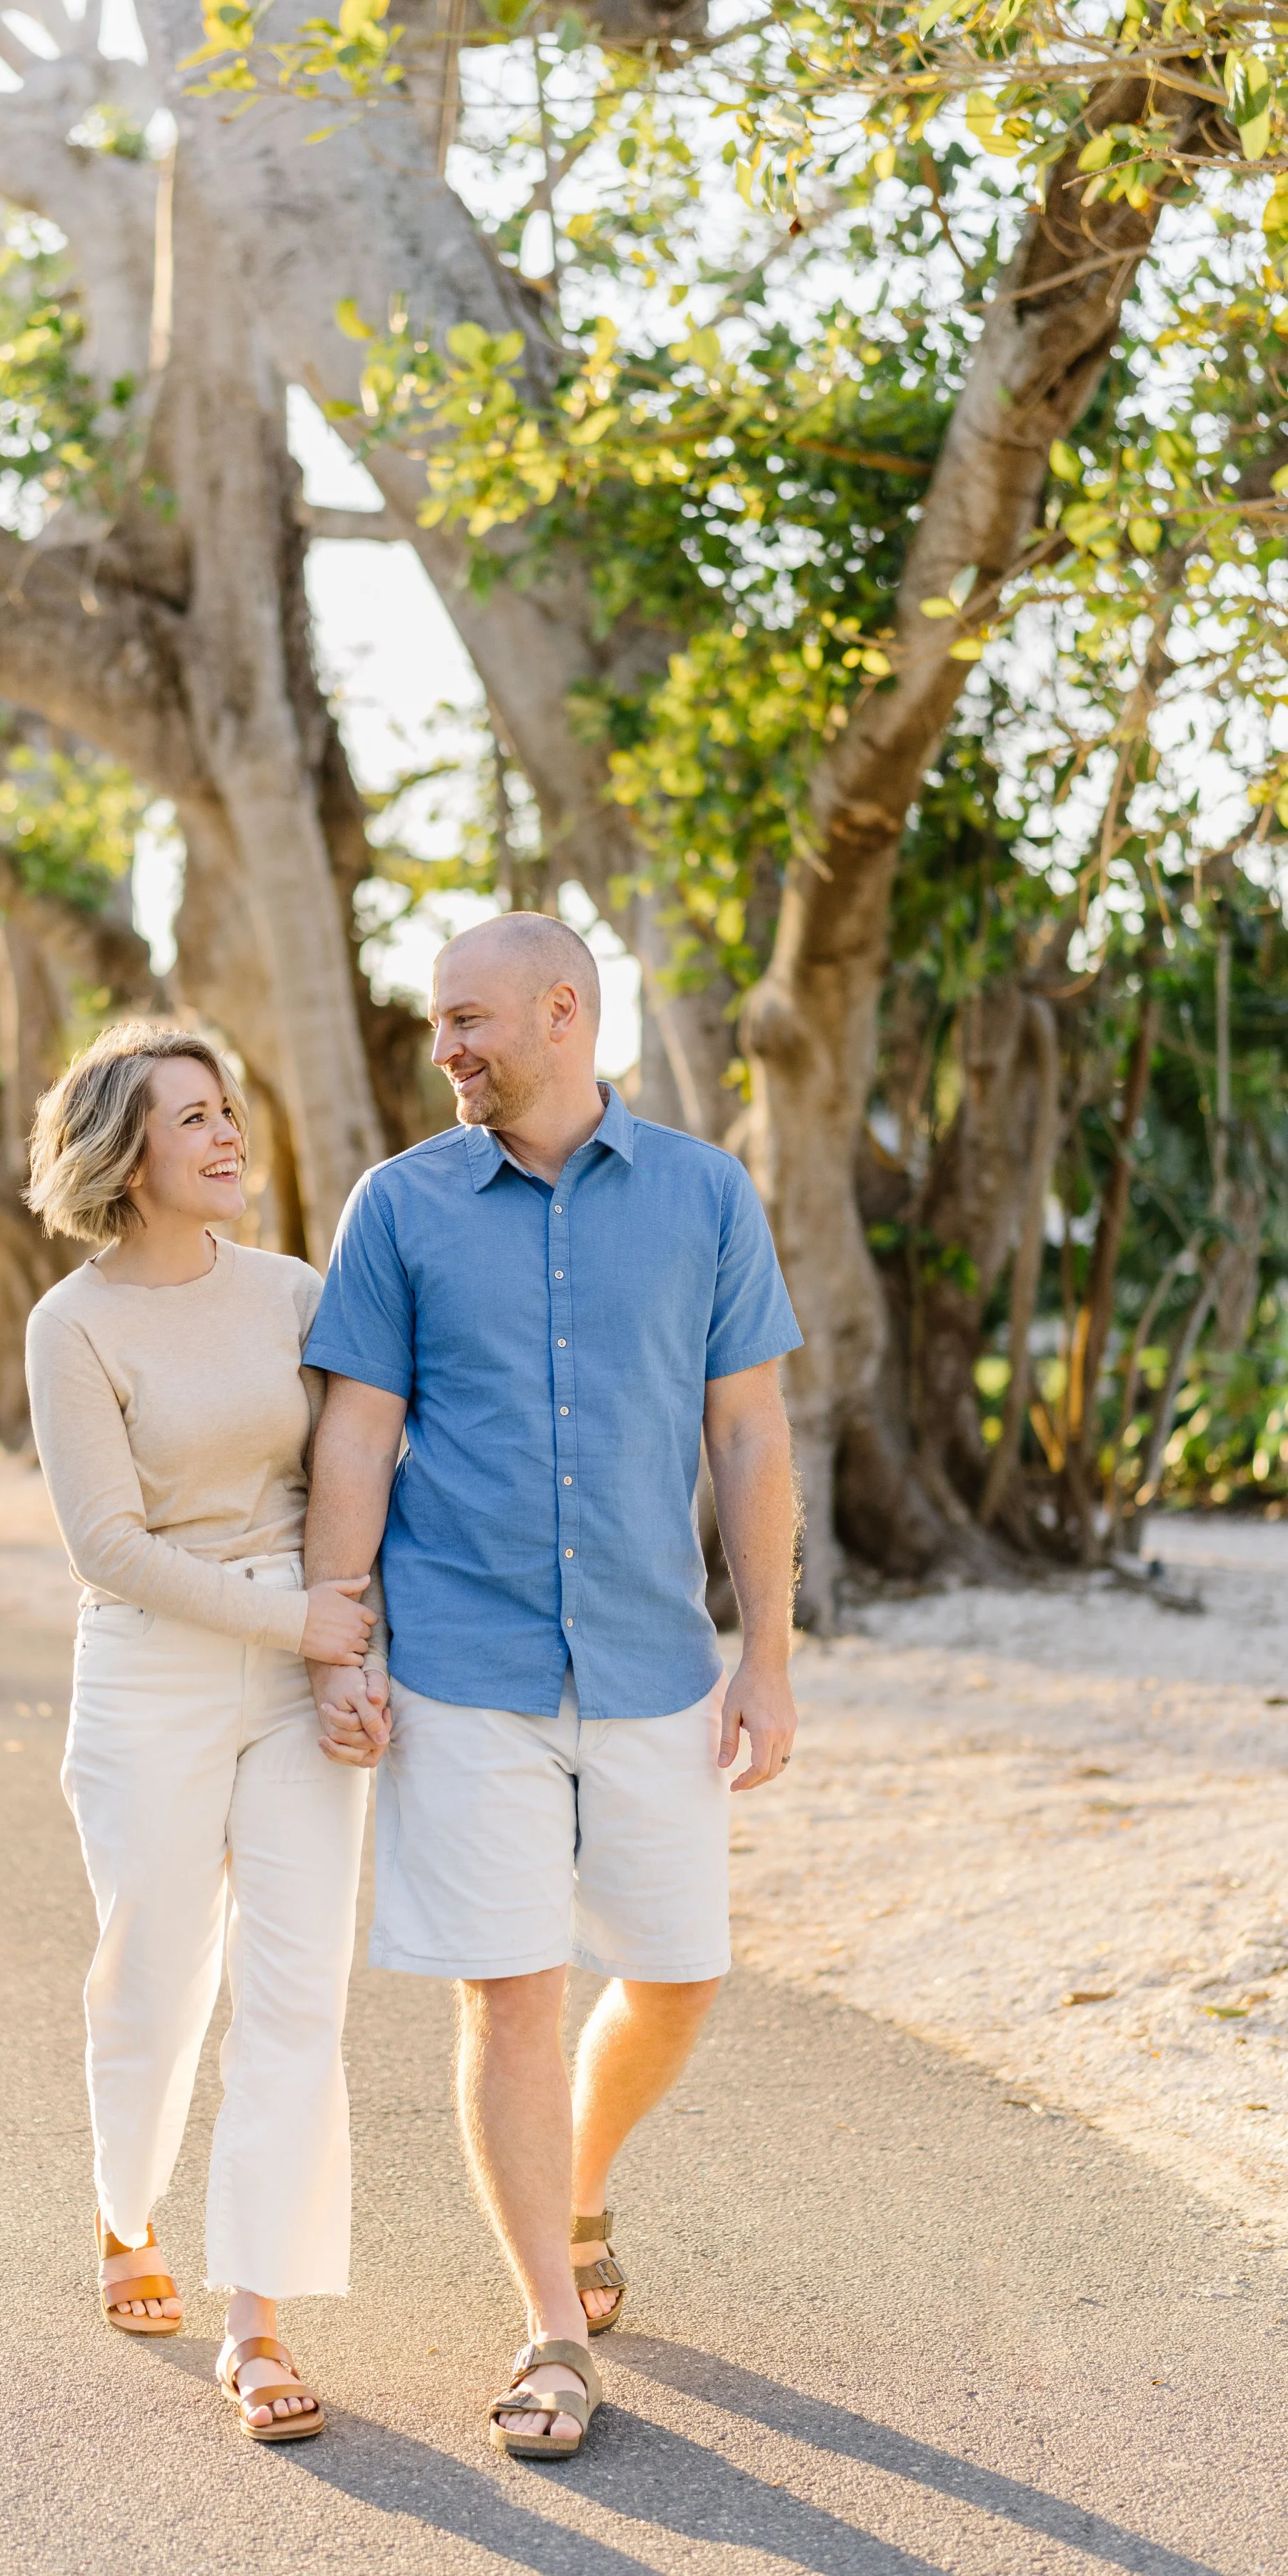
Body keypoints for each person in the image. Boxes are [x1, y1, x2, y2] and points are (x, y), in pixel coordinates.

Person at [301, 915, 801, 2461]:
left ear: (562, 1009)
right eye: (437, 1023)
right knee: (510, 1989)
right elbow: (356, 1435)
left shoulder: (706, 1193)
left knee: (677, 1974)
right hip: (464, 1664)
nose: (444, 1046)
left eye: (466, 1018)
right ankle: (549, 2328)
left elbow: (748, 1435)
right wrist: (344, 1636)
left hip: (653, 1656)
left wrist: (767, 1652)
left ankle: (578, 2185)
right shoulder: (399, 1204)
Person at [24, 1024, 376, 2443]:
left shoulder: (295, 1293)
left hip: (300, 1677)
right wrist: (296, 1621)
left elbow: (353, 1487)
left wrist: (350, 1649)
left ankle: (257, 2316)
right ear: (125, 1153)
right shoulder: (74, 1324)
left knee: (297, 1993)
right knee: (153, 1979)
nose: (227, 1134)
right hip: (155, 1680)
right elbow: (106, 1542)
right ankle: (125, 2212)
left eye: (230, 1108)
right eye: (191, 1116)